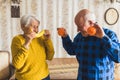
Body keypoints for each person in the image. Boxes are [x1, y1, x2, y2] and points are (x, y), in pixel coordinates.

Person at [57, 9, 120, 80]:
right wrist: (65, 37)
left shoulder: (109, 35)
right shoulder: (79, 37)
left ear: (90, 23)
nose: (78, 30)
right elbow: (71, 51)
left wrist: (103, 38)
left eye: (80, 26)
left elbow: (118, 57)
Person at [11, 15, 54, 80]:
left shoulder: (41, 38)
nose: (36, 30)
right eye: (33, 27)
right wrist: (26, 43)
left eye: (37, 27)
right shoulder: (17, 40)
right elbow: (17, 65)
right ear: (23, 27)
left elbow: (50, 57)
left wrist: (48, 40)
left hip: (44, 77)